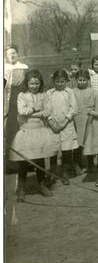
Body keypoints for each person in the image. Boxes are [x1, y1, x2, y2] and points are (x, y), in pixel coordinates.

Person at [9, 70, 57, 202]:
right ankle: (21, 188)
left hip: (40, 130)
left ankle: (41, 185)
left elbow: (47, 111)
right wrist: (36, 110)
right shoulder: (22, 95)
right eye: (31, 83)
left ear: (40, 83)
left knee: (40, 159)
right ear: (27, 83)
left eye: (37, 83)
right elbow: (22, 111)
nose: (34, 86)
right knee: (24, 162)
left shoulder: (44, 95)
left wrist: (33, 112)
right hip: (26, 131)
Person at [44, 69, 79, 184]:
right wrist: (51, 123)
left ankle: (65, 173)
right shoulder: (49, 93)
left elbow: (73, 108)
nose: (60, 84)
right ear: (54, 81)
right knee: (53, 152)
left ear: (66, 81)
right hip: (53, 127)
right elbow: (46, 110)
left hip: (66, 125)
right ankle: (53, 174)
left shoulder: (69, 92)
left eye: (62, 82)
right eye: (57, 82)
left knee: (66, 151)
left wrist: (64, 122)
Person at [4, 45, 29, 163]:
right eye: (9, 54)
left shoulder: (23, 67)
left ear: (17, 54)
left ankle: (25, 161)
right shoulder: (3, 68)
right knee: (9, 129)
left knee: (22, 128)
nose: (12, 55)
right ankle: (10, 161)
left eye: (14, 53)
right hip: (7, 102)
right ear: (6, 56)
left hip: (19, 100)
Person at [72, 69, 94, 176]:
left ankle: (90, 164)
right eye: (79, 80)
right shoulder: (73, 91)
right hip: (76, 119)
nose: (82, 82)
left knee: (89, 141)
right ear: (76, 80)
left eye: (84, 80)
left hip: (88, 119)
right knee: (77, 143)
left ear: (88, 80)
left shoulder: (92, 91)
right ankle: (77, 164)